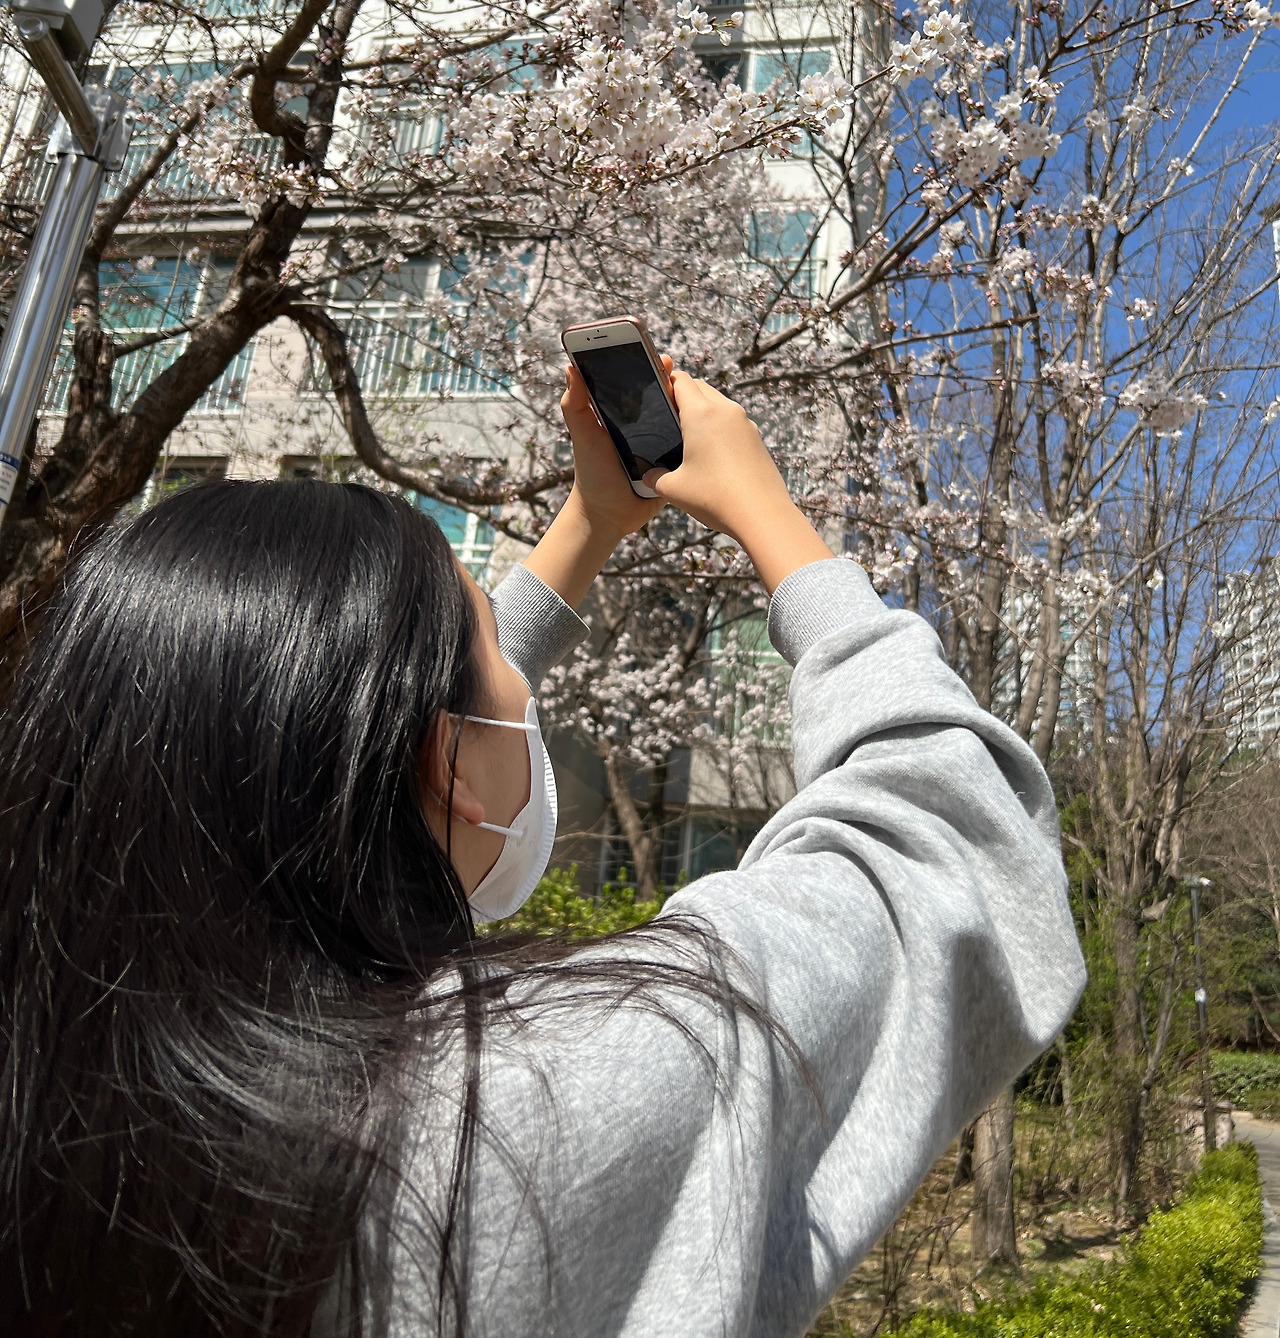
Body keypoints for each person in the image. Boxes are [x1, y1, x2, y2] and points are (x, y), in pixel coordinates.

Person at [0, 363, 1085, 1338]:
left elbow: (354, 767)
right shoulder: (548, 1096)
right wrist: (773, 520)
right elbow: (952, 828)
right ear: (445, 768)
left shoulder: (62, 1097)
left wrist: (588, 525)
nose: (521, 687)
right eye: (495, 648)